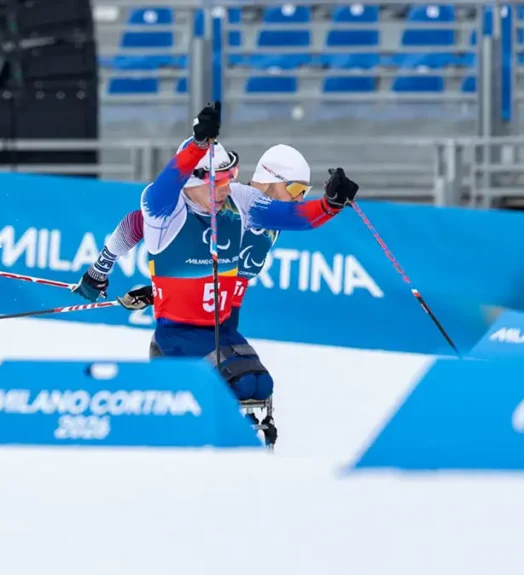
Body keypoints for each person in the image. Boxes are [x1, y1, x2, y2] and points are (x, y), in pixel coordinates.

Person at [70, 105, 357, 438]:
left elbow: (292, 217)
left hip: (222, 325)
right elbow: (148, 206)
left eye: (230, 178)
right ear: (193, 180)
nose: (227, 188)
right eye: (219, 181)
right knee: (241, 383)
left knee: (260, 384)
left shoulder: (240, 200)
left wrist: (330, 205)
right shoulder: (166, 209)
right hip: (180, 333)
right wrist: (197, 145)